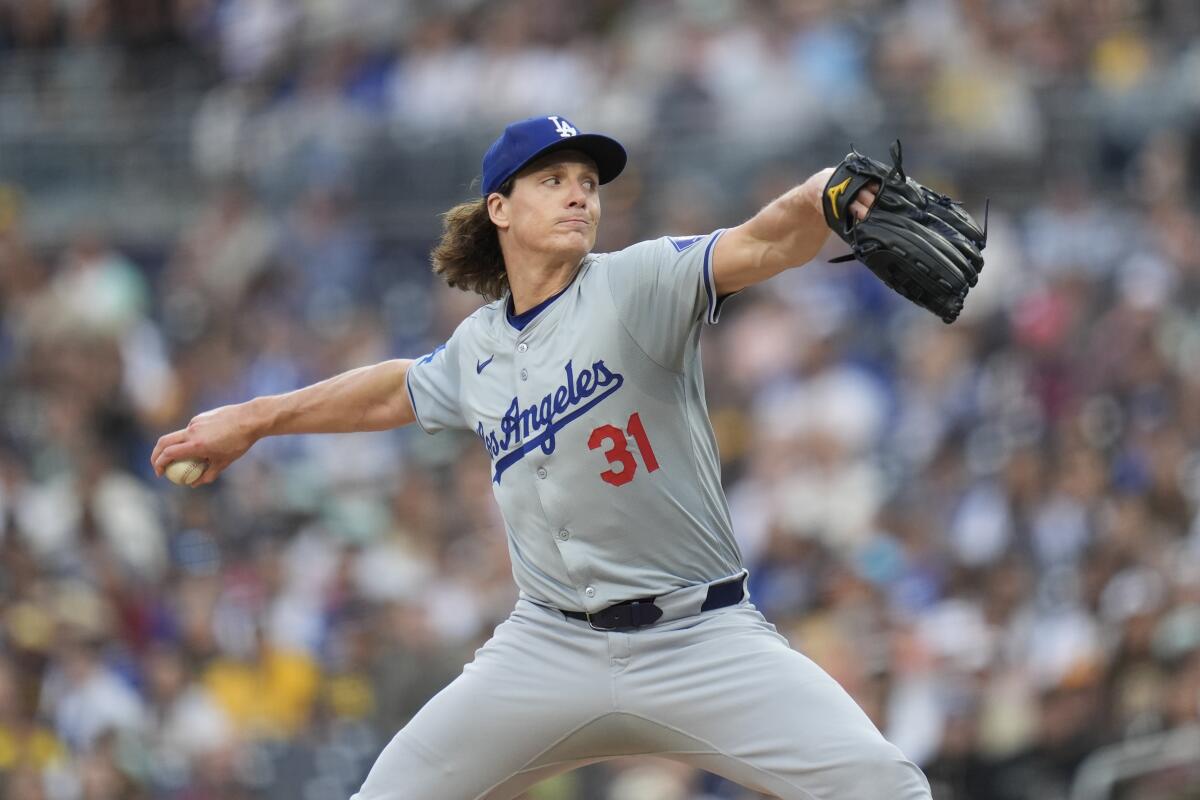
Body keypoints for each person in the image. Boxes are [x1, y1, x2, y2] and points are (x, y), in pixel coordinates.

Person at [151, 114, 931, 799]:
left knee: (883, 785)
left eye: (588, 181)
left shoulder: (638, 282)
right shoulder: (479, 347)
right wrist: (253, 419)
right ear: (499, 209)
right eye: (552, 179)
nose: (579, 194)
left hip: (703, 637)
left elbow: (763, 243)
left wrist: (821, 194)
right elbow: (396, 390)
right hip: (550, 647)